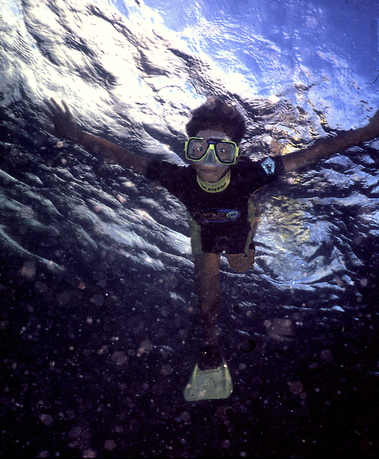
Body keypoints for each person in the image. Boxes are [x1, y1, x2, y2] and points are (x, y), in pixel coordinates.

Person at [46, 96, 379, 399]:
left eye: (221, 151)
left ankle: (254, 218)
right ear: (188, 149)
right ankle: (209, 346)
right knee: (206, 292)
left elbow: (311, 155)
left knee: (241, 266)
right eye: (199, 148)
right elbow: (125, 157)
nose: (208, 159)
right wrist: (75, 134)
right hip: (202, 231)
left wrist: (367, 131)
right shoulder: (178, 178)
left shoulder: (249, 174)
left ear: (234, 153)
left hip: (238, 227)